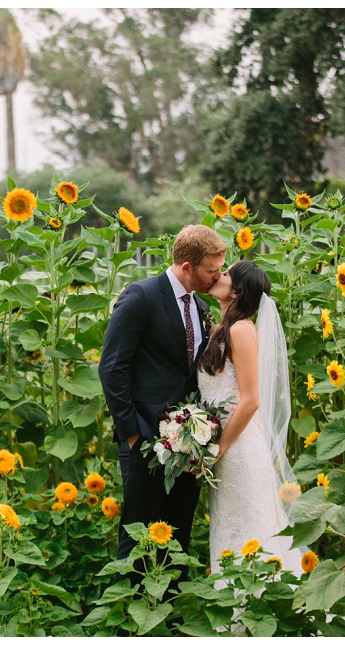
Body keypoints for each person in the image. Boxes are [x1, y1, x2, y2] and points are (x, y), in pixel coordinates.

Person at [99, 224, 226, 583]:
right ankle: (129, 613)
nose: (218, 276)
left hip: (188, 444)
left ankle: (171, 611)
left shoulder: (200, 306)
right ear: (187, 267)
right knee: (138, 539)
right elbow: (111, 368)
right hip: (144, 439)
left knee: (177, 536)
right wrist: (133, 434)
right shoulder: (141, 296)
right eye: (211, 270)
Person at [198, 260, 303, 579]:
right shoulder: (221, 329)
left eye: (226, 273)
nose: (219, 275)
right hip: (225, 449)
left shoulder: (241, 330)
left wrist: (219, 448)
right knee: (229, 528)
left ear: (237, 291)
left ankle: (260, 598)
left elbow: (251, 400)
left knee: (249, 529)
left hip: (238, 449)